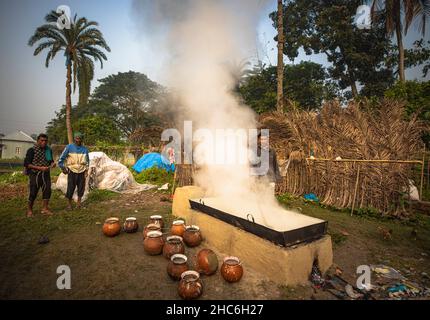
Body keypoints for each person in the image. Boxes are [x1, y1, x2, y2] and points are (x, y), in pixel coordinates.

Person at [24, 133, 55, 217]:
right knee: (33, 192)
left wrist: (52, 164)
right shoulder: (32, 150)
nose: (44, 142)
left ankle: (45, 209)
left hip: (45, 174)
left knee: (47, 190)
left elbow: (51, 160)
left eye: (45, 141)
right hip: (35, 174)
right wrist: (40, 168)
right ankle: (29, 210)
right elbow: (27, 164)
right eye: (42, 140)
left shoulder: (48, 150)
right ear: (38, 141)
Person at [58, 132, 90, 210]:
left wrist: (86, 170)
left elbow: (87, 161)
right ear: (74, 139)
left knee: (81, 188)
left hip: (82, 172)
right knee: (70, 188)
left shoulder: (85, 149)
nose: (78, 140)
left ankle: (79, 204)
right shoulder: (69, 147)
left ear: (82, 139)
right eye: (76, 138)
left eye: (80, 138)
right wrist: (63, 168)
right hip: (72, 171)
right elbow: (61, 159)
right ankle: (69, 205)